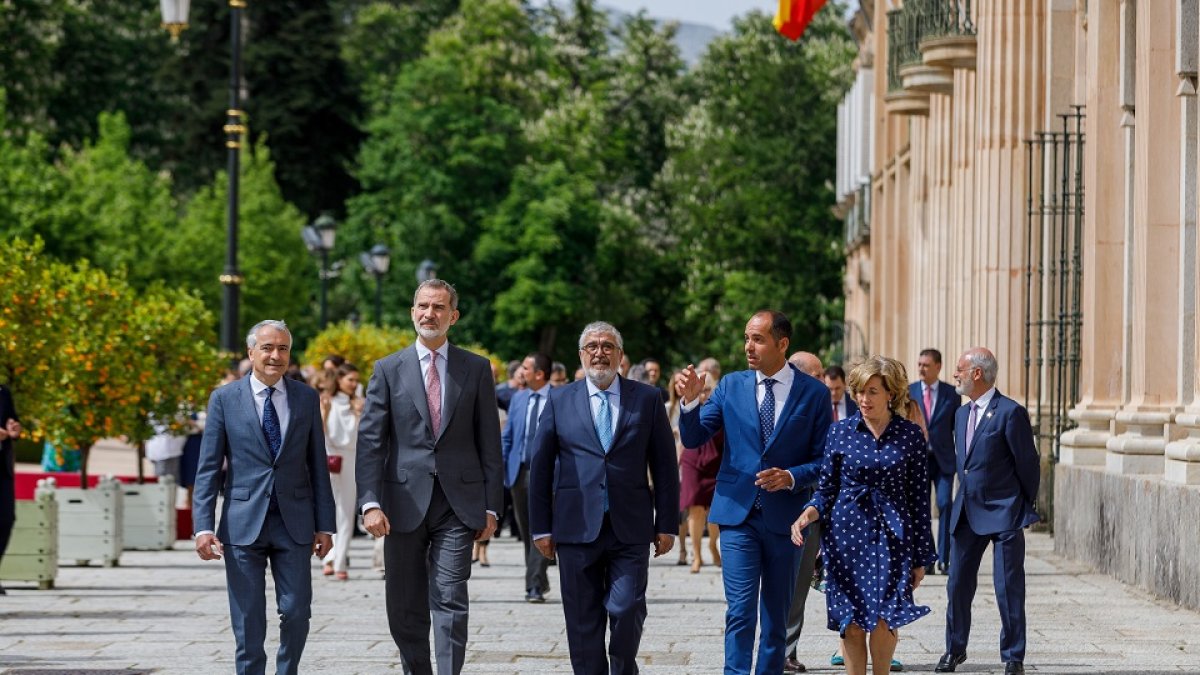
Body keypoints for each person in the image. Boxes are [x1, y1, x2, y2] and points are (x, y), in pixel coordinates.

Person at [356, 279, 504, 675]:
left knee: (450, 594)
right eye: (422, 306)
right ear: (412, 312)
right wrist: (369, 502)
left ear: (452, 316)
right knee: (403, 602)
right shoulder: (387, 370)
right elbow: (371, 442)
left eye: (438, 308)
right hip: (401, 504)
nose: (429, 314)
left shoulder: (475, 369)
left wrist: (492, 506)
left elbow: (490, 442)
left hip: (459, 504)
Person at [675, 310, 832, 675]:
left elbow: (825, 459)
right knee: (740, 611)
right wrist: (689, 403)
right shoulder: (731, 385)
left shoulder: (814, 394)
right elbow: (696, 437)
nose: (749, 346)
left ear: (782, 344)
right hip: (737, 516)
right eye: (746, 338)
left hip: (787, 521)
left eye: (758, 339)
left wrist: (792, 476)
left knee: (776, 618)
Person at [528, 321, 679, 675]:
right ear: (581, 355)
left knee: (627, 607)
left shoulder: (647, 399)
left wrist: (668, 523)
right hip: (574, 526)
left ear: (621, 356)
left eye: (608, 346)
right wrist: (540, 528)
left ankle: (623, 667)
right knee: (582, 619)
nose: (600, 352)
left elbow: (665, 466)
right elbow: (540, 468)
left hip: (631, 526)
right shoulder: (559, 399)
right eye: (592, 346)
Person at [192, 319, 337, 675]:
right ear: (251, 352)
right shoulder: (224, 399)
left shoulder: (305, 397)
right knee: (247, 618)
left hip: (295, 523)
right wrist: (202, 527)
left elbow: (317, 464)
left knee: (298, 610)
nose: (275, 355)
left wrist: (326, 525)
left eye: (283, 348)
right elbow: (208, 468)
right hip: (242, 524)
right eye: (268, 348)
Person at [935, 348, 1040, 675]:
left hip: (1005, 511)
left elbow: (1028, 464)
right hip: (966, 511)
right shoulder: (960, 414)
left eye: (959, 369)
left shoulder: (1010, 412)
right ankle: (954, 649)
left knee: (1008, 587)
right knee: (957, 585)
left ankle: (1013, 656)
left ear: (977, 374)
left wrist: (1023, 504)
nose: (956, 375)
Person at [781, 350, 823, 673]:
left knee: (799, 584)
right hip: (776, 505)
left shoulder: (822, 407)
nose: (824, 381)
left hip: (812, 509)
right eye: (818, 374)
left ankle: (787, 649)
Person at [500, 352, 553, 603]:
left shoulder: (559, 398)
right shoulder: (519, 399)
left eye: (526, 367)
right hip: (518, 472)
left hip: (546, 474)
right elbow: (508, 436)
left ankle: (533, 585)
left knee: (541, 528)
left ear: (539, 374)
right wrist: (502, 464)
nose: (521, 371)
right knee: (526, 530)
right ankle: (538, 581)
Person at [909, 349, 960, 575]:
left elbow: (957, 427)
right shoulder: (909, 392)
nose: (921, 368)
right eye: (919, 364)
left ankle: (945, 559)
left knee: (945, 503)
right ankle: (927, 557)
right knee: (921, 510)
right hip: (918, 460)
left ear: (938, 367)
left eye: (926, 365)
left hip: (944, 460)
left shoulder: (952, 393)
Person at [320, 362, 363, 581]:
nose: (354, 385)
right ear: (339, 380)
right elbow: (319, 433)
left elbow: (363, 436)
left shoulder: (358, 404)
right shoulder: (327, 401)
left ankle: (340, 560)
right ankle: (328, 557)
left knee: (346, 512)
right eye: (350, 380)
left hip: (351, 458)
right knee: (328, 508)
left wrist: (359, 413)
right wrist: (324, 413)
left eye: (356, 381)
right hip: (329, 458)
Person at [678, 375, 722, 573]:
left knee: (715, 512)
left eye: (707, 389)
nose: (704, 393)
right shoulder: (691, 405)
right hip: (693, 461)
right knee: (695, 510)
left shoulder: (721, 407)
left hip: (716, 460)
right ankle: (697, 555)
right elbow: (684, 434)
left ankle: (713, 545)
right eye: (702, 389)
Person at [0, 383, 22, 595]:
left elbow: (12, 420)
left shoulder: (3, 391)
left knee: (6, 519)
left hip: (2, 468)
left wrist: (15, 430)